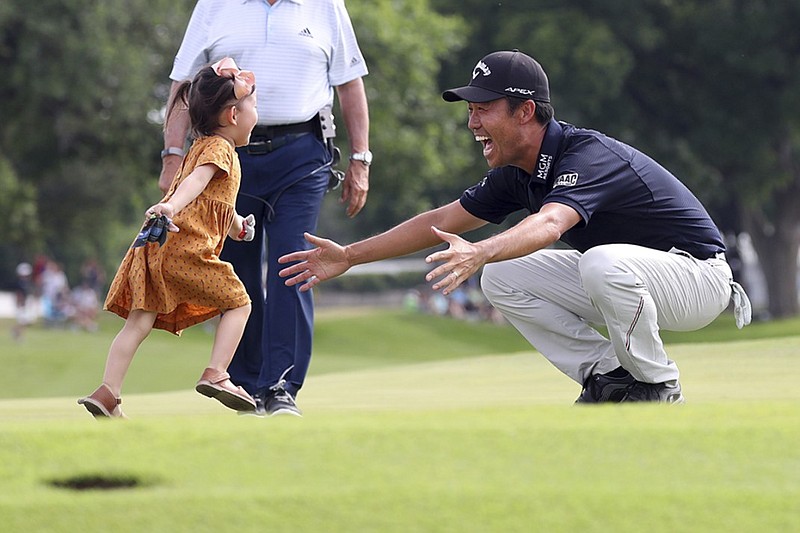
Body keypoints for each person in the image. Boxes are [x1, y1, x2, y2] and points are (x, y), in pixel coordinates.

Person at [278, 49, 753, 404]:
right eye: (470, 110)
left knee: (595, 260)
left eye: (484, 109)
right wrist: (348, 255)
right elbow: (439, 221)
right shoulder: (517, 173)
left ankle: (656, 384)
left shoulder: (586, 156)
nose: (472, 123)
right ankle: (611, 377)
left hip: (698, 279)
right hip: (634, 281)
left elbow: (549, 224)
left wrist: (481, 249)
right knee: (503, 275)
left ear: (525, 111)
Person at [161, 0, 371, 417]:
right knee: (234, 272)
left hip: (302, 154)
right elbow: (183, 85)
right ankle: (243, 384)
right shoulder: (214, 6)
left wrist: (361, 159)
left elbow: (350, 85)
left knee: (291, 262)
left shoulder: (326, 6)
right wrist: (171, 155)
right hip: (224, 156)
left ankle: (280, 386)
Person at [78, 58, 260, 418]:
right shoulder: (220, 149)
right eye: (254, 105)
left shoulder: (203, 146)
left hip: (157, 246)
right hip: (184, 246)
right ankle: (217, 373)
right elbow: (193, 186)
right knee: (240, 304)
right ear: (233, 116)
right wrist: (171, 206)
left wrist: (237, 225)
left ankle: (108, 392)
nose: (258, 112)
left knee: (139, 321)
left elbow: (212, 201)